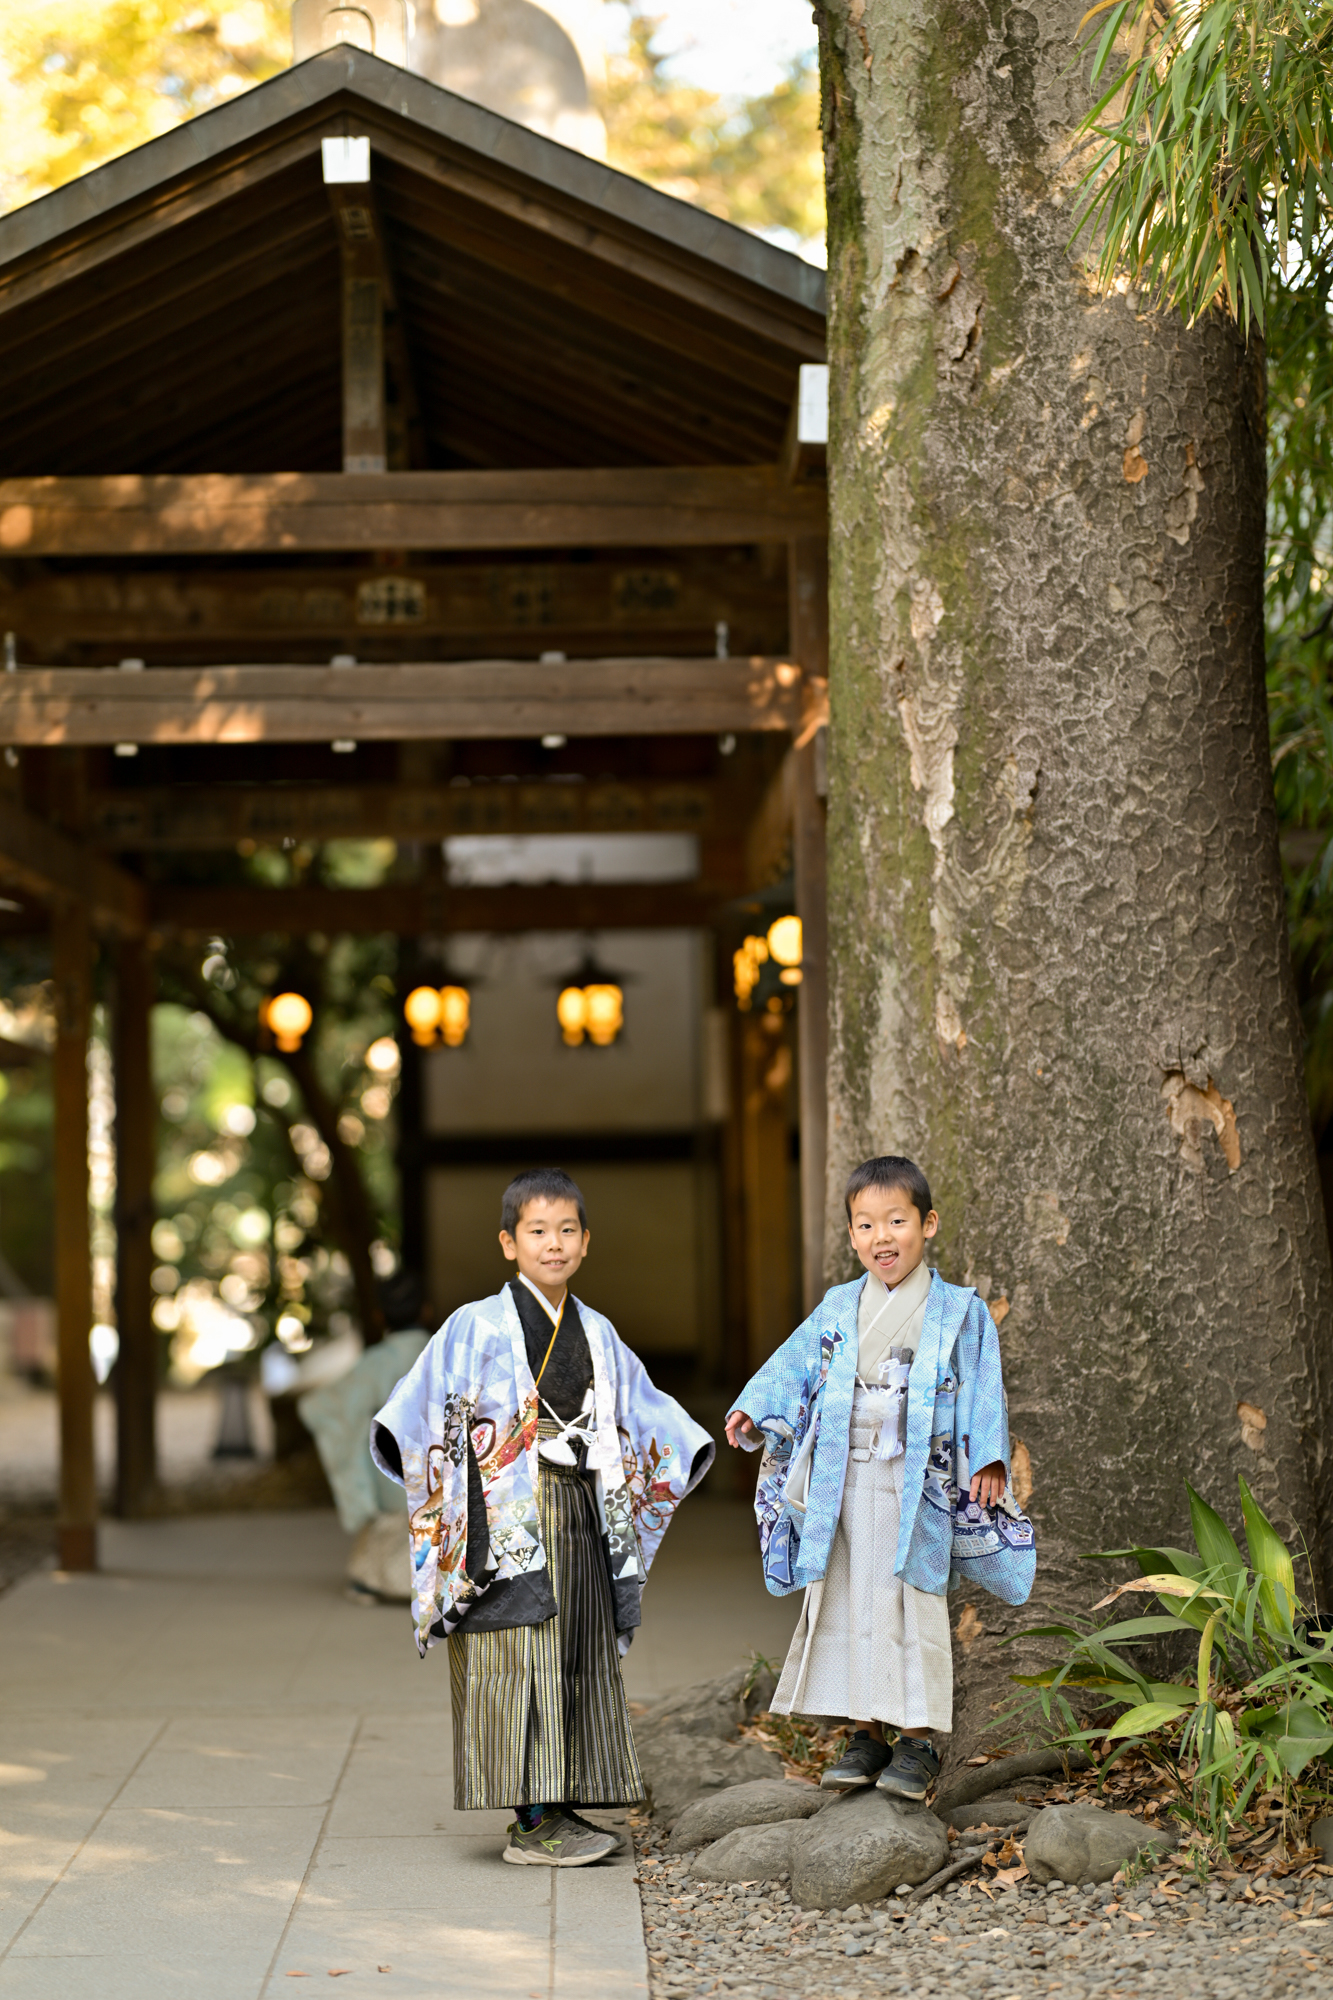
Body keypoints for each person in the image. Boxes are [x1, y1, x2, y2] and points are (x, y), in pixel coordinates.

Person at [371, 1167, 714, 1866]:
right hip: (501, 1521)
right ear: (508, 1243)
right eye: (536, 1232)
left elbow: (645, 1411)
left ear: (585, 1243)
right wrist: (455, 1483)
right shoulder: (473, 1326)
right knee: (514, 1657)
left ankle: (561, 1804)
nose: (552, 1244)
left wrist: (704, 1437)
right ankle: (529, 1822)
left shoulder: (597, 1330)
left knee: (572, 1651)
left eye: (565, 1231)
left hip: (580, 1507)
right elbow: (413, 1411)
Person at [725, 1155, 1034, 1801]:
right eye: (865, 1226)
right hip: (845, 1478)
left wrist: (987, 1456)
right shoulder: (840, 1305)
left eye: (896, 1221)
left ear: (927, 1224)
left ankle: (917, 1741)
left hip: (916, 1480)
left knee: (911, 1603)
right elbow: (794, 1365)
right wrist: (756, 1405)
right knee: (843, 1599)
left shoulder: (958, 1311)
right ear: (850, 1237)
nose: (881, 1237)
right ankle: (863, 1734)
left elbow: (983, 1384)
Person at [297, 1270, 433, 1603]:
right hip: (445, 1472)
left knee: (389, 1521)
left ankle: (379, 1582)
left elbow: (323, 1408)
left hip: (393, 1473)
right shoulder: (449, 1353)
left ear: (378, 1315)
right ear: (427, 1310)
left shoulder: (376, 1363)